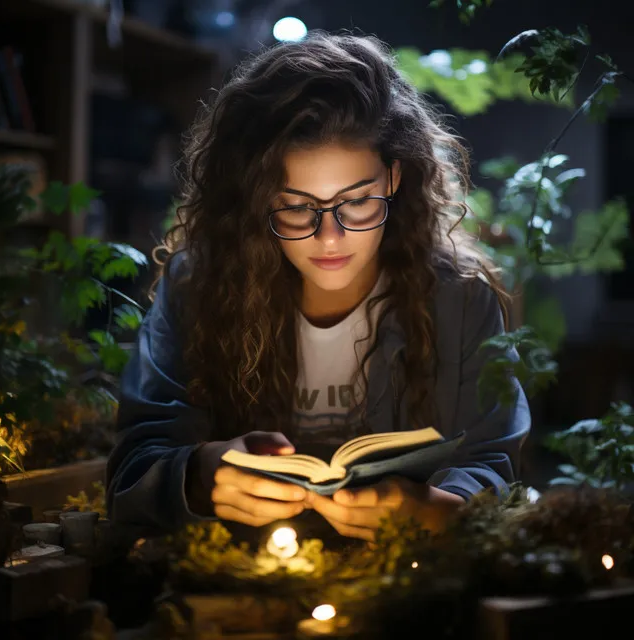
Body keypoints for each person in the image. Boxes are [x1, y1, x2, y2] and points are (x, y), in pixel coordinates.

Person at [106, 32, 531, 542]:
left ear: (394, 178)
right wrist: (200, 474)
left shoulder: (460, 299)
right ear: (259, 198)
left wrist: (437, 510)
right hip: (239, 588)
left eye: (356, 201)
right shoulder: (198, 287)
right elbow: (132, 465)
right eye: (297, 206)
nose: (330, 237)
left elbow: (492, 461)